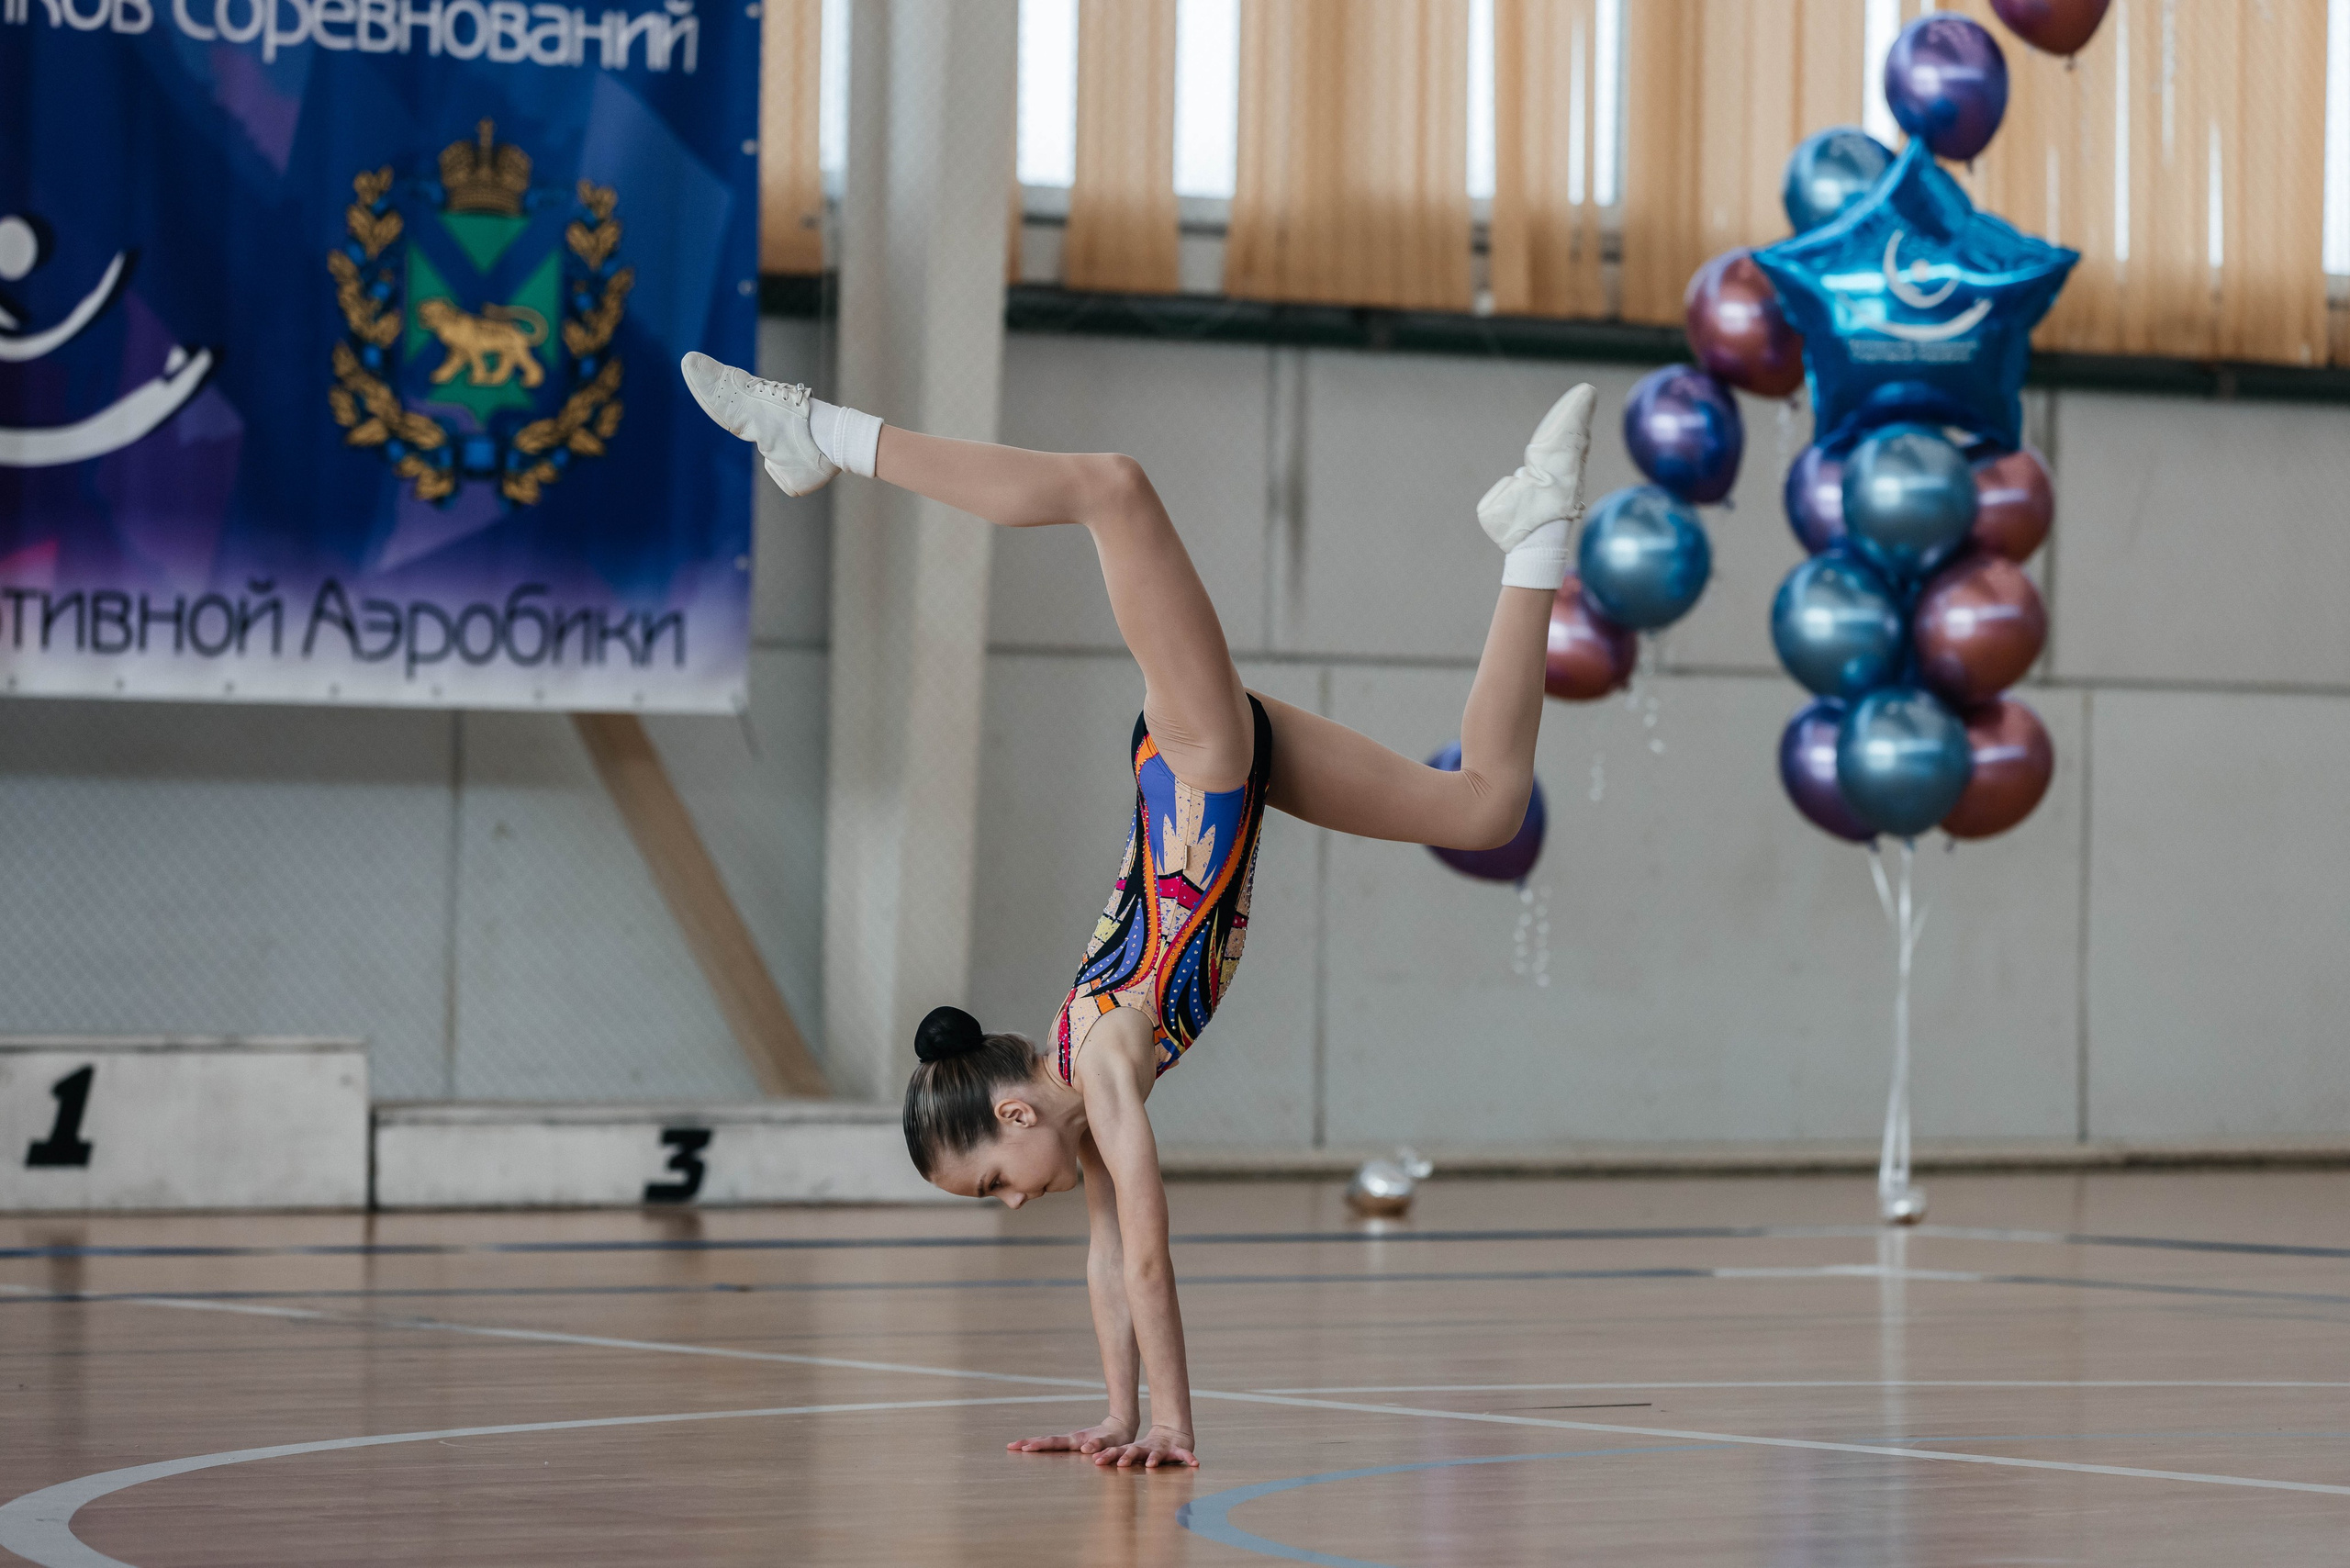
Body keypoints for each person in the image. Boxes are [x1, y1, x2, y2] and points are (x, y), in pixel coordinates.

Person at [680, 351, 1596, 1470]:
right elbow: (1113, 1260)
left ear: (1014, 1119)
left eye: (989, 1190)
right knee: (1483, 807)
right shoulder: (1076, 1071)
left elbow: (1152, 1260)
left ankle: (816, 430)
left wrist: (1177, 1425)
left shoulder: (1101, 1062)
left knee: (1110, 486)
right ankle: (1534, 533)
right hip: (1222, 769)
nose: (1010, 1207)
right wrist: (1118, 1416)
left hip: (1205, 760)